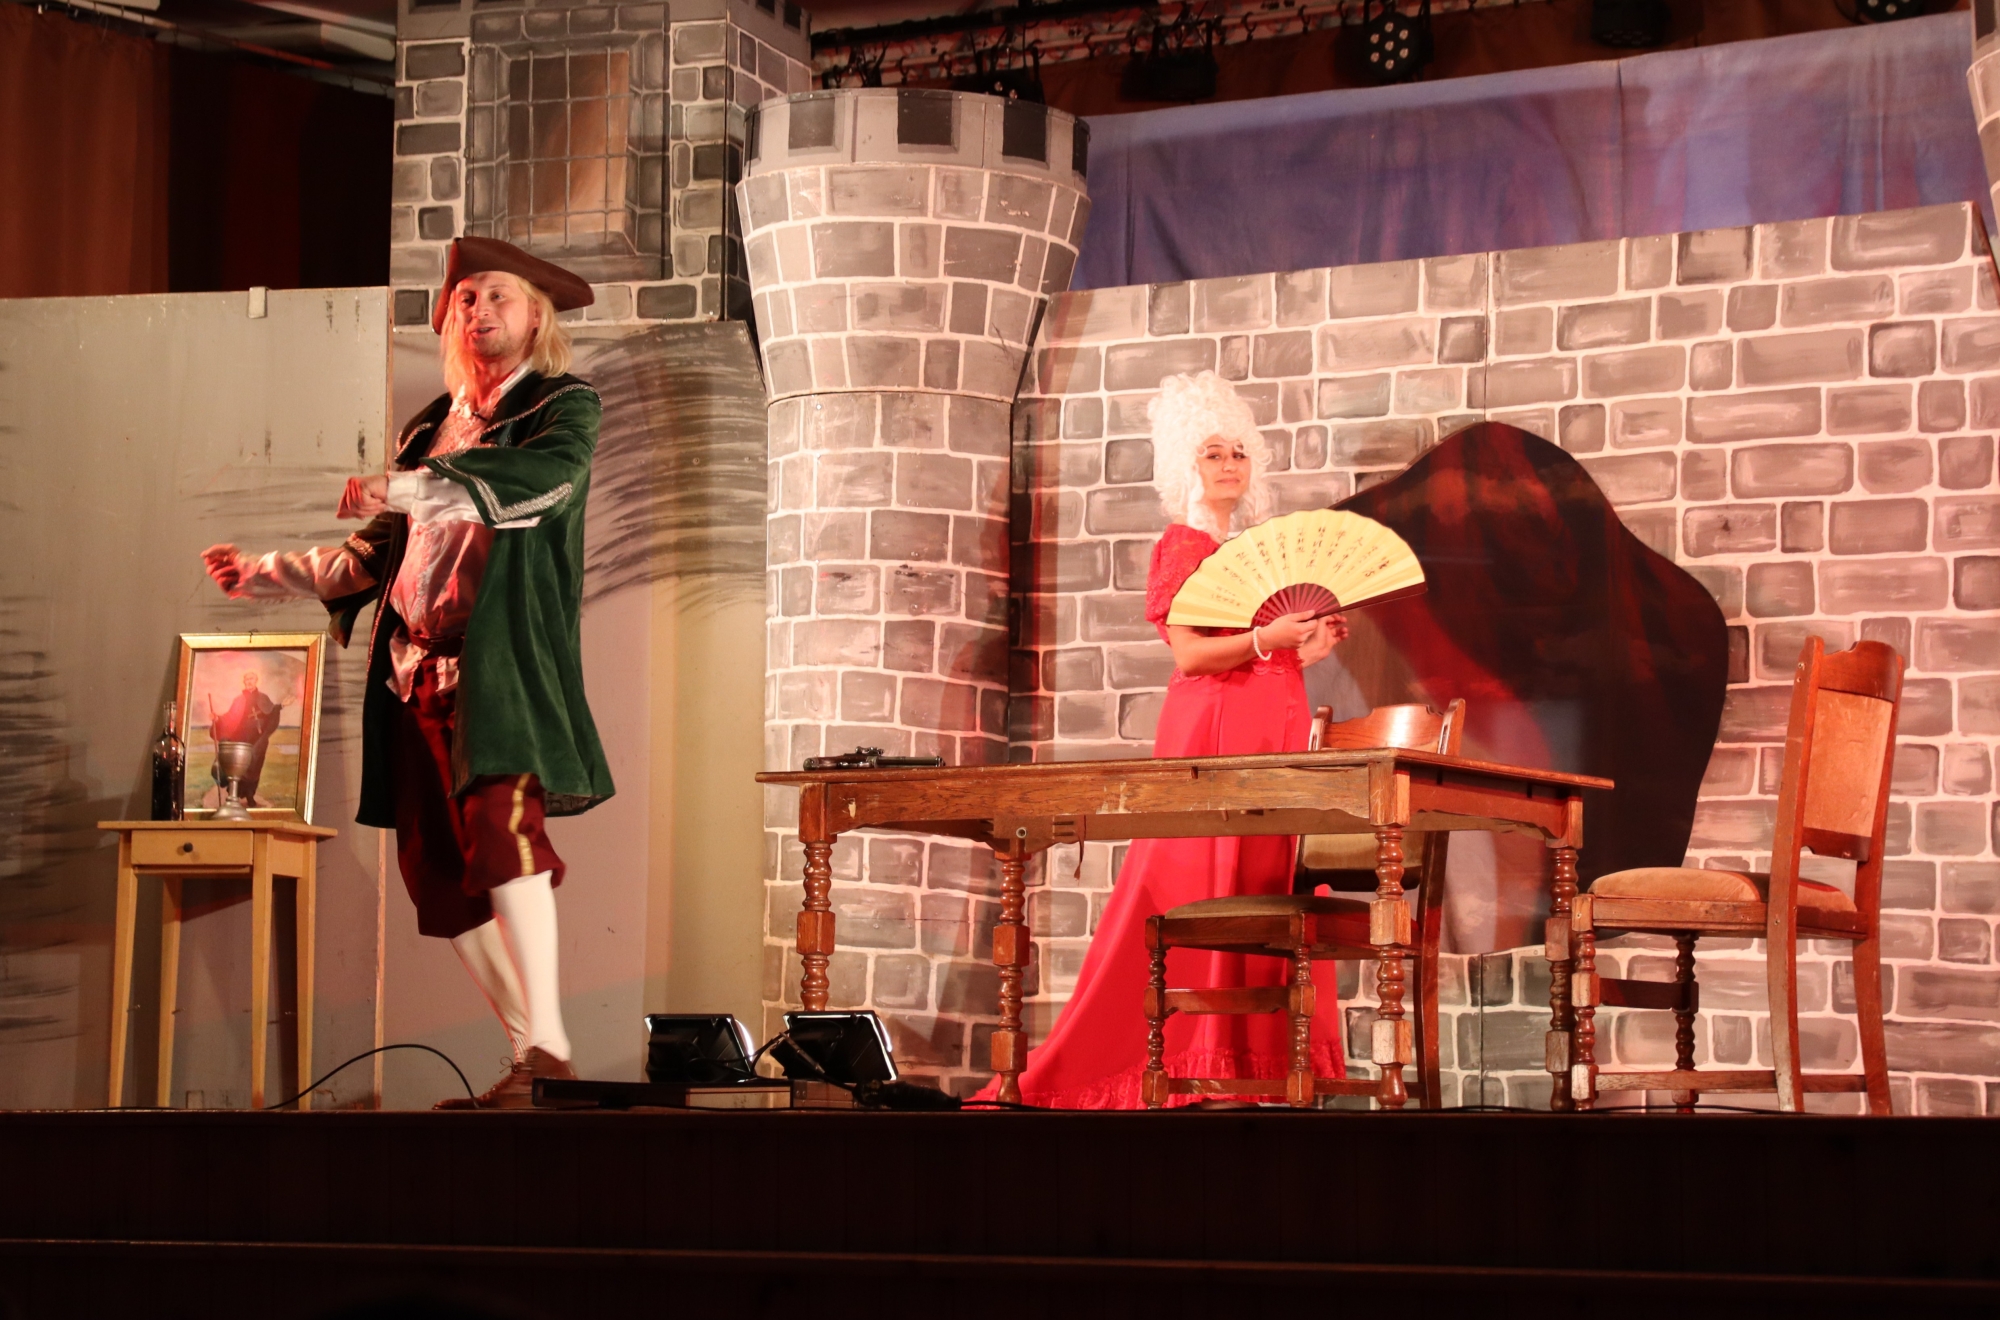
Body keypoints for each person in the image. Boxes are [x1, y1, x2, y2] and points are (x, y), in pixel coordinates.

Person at [200, 237, 615, 1108]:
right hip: (411, 674)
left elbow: (544, 482)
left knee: (505, 836)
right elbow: (367, 560)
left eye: (498, 295)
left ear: (535, 316)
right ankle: (529, 1058)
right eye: (465, 298)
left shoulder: (560, 407)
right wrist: (262, 571)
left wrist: (409, 486)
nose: (479, 310)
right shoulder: (430, 427)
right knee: (437, 876)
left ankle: (551, 1048)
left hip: (499, 669)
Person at [998, 371, 1350, 1108]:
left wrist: (1307, 643)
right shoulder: (1185, 545)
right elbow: (1191, 655)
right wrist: (1268, 640)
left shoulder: (1249, 550)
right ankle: (1191, 1057)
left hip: (1272, 724)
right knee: (1207, 881)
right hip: (1215, 729)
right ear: (1185, 463)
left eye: (1238, 453)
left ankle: (1256, 1064)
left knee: (1266, 880)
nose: (1228, 465)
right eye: (1212, 453)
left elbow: (1264, 655)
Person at [208, 671, 283, 804]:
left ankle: (250, 795)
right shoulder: (239, 700)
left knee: (255, 767)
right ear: (244, 682)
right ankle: (234, 794)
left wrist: (280, 707)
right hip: (241, 736)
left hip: (258, 739)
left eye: (251, 679)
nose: (249, 681)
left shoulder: (263, 697)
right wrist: (217, 718)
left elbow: (271, 712)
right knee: (239, 765)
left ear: (256, 681)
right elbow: (230, 717)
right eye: (247, 679)